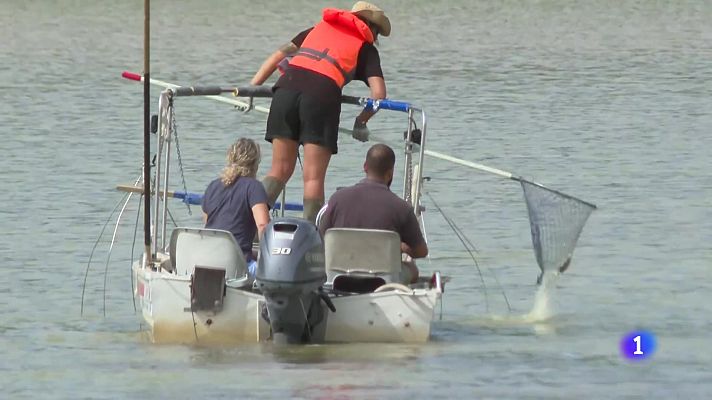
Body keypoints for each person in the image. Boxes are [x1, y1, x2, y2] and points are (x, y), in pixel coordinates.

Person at [250, 1, 392, 223]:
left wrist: (253, 87)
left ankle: (249, 224)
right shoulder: (365, 48)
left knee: (279, 169)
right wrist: (361, 120)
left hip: (285, 89)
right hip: (320, 97)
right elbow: (379, 94)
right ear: (372, 29)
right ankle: (312, 239)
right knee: (313, 178)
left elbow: (279, 54)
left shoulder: (318, 29)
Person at [318, 144, 428, 284]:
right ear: (390, 173)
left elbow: (320, 240)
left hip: (340, 276)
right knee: (412, 269)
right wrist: (398, 246)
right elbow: (421, 252)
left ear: (365, 167)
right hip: (383, 280)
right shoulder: (401, 207)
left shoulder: (337, 199)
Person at [202, 138, 270, 277]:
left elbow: (208, 223)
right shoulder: (254, 187)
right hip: (237, 266)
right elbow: (263, 225)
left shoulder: (213, 186)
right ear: (255, 164)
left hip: (208, 261)